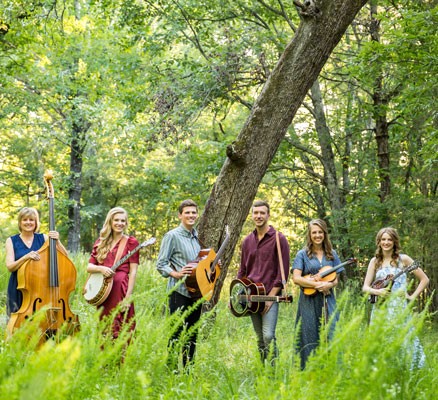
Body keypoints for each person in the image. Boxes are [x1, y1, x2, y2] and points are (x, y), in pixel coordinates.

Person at [362, 227, 429, 368]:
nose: (386, 242)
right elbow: (365, 287)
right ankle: (384, 371)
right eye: (383, 239)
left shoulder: (403, 259)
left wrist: (411, 297)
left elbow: (424, 279)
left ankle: (407, 370)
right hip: (380, 309)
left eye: (389, 239)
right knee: (381, 339)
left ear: (394, 241)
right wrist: (377, 292)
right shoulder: (375, 262)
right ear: (379, 242)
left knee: (403, 337)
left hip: (399, 307)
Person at [237, 200, 290, 364]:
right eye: (256, 213)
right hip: (252, 296)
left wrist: (270, 297)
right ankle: (263, 369)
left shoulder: (278, 239)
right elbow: (243, 271)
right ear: (252, 215)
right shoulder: (247, 241)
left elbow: (283, 271)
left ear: (268, 215)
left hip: (270, 296)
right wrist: (238, 291)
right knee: (260, 338)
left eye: (262, 213)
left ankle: (273, 371)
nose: (258, 216)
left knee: (268, 335)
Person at [156, 199, 203, 368]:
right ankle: (171, 369)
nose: (191, 215)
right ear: (180, 215)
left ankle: (188, 370)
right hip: (179, 292)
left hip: (196, 293)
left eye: (193, 212)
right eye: (187, 212)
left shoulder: (195, 236)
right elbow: (161, 264)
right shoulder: (172, 236)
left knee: (192, 333)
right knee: (176, 332)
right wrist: (176, 273)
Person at [292, 218, 343, 369]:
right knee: (309, 334)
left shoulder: (332, 254)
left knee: (332, 331)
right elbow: (296, 278)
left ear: (325, 234)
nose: (317, 235)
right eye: (314, 232)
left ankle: (331, 369)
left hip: (328, 298)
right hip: (308, 301)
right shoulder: (302, 254)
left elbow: (335, 280)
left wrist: (328, 284)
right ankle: (309, 370)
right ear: (309, 235)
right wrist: (316, 284)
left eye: (320, 232)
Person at [87, 207, 139, 339]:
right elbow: (89, 267)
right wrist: (101, 269)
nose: (120, 223)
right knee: (104, 326)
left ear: (126, 223)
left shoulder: (131, 242)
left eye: (123, 221)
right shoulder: (101, 242)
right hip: (104, 291)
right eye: (116, 220)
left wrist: (128, 297)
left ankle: (121, 359)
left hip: (120, 290)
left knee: (121, 326)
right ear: (110, 222)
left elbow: (133, 272)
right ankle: (106, 358)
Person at [5, 207, 65, 317]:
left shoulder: (44, 238)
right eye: (25, 219)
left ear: (36, 222)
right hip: (19, 287)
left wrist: (58, 242)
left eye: (31, 220)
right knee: (16, 326)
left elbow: (64, 257)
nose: (28, 222)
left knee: (40, 324)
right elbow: (10, 267)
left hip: (40, 289)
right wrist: (26, 257)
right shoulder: (11, 241)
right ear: (20, 222)